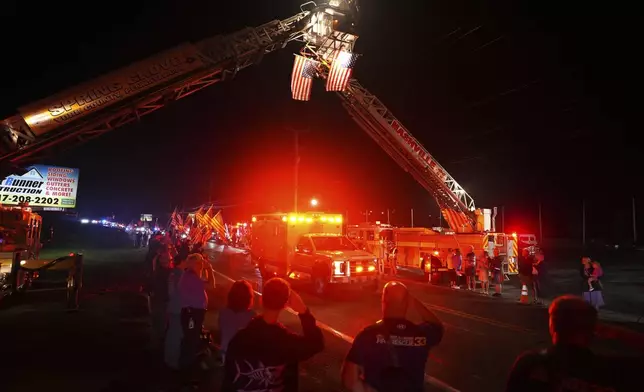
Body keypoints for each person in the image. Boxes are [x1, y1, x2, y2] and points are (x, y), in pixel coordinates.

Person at [506, 295, 642, 391]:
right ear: (592, 329)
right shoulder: (612, 371)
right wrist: (618, 333)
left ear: (552, 326)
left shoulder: (531, 366)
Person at [222, 277, 324, 392]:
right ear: (285, 305)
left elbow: (228, 379)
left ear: (261, 300)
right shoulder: (288, 342)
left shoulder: (239, 339)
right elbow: (316, 343)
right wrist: (303, 311)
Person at [341, 281, 444, 392]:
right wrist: (413, 301)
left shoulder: (367, 336)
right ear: (407, 304)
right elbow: (437, 326)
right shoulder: (421, 334)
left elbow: (349, 380)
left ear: (384, 301)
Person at [178, 253, 215, 377]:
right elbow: (211, 285)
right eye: (199, 263)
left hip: (193, 314)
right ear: (192, 263)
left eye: (202, 263)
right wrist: (209, 269)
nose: (201, 265)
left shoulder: (191, 276)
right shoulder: (190, 277)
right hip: (192, 314)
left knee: (191, 341)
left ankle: (186, 370)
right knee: (190, 342)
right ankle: (186, 372)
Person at [218, 280, 256, 363]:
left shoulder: (223, 313)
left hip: (225, 354)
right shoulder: (252, 316)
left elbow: (222, 333)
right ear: (249, 298)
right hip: (243, 358)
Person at [165, 256, 187, 370]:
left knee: (171, 333)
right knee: (177, 335)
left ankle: (168, 358)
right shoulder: (181, 274)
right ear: (182, 262)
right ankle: (173, 362)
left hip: (172, 307)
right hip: (178, 308)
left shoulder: (173, 273)